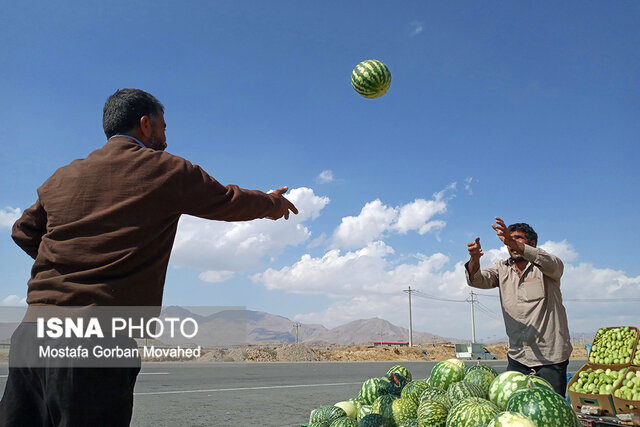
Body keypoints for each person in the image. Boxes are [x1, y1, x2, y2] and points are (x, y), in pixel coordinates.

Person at [0, 88, 298, 426]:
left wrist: (69, 262)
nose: (166, 139)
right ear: (145, 125)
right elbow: (227, 200)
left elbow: (23, 231)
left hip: (30, 336)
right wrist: (273, 203)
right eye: (164, 128)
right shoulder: (163, 169)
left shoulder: (61, 177)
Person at [465, 217, 572, 396]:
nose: (511, 244)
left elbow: (554, 265)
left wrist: (514, 243)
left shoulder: (546, 266)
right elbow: (477, 280)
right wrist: (474, 259)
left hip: (550, 358)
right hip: (518, 357)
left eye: (517, 239)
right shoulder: (502, 268)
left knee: (550, 414)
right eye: (508, 240)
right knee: (515, 411)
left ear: (532, 243)